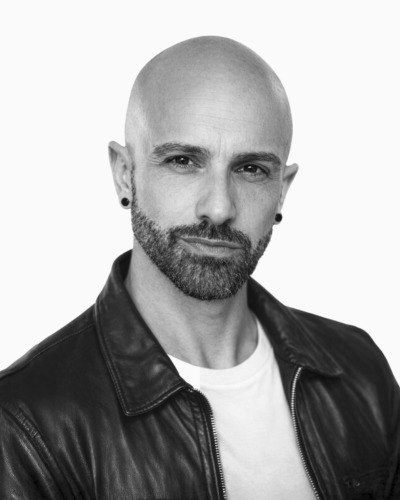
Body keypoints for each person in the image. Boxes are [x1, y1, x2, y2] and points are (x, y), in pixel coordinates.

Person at [0, 36, 399, 500]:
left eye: (251, 169)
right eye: (184, 161)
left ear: (282, 190)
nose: (219, 208)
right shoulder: (27, 422)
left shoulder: (359, 370)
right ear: (125, 173)